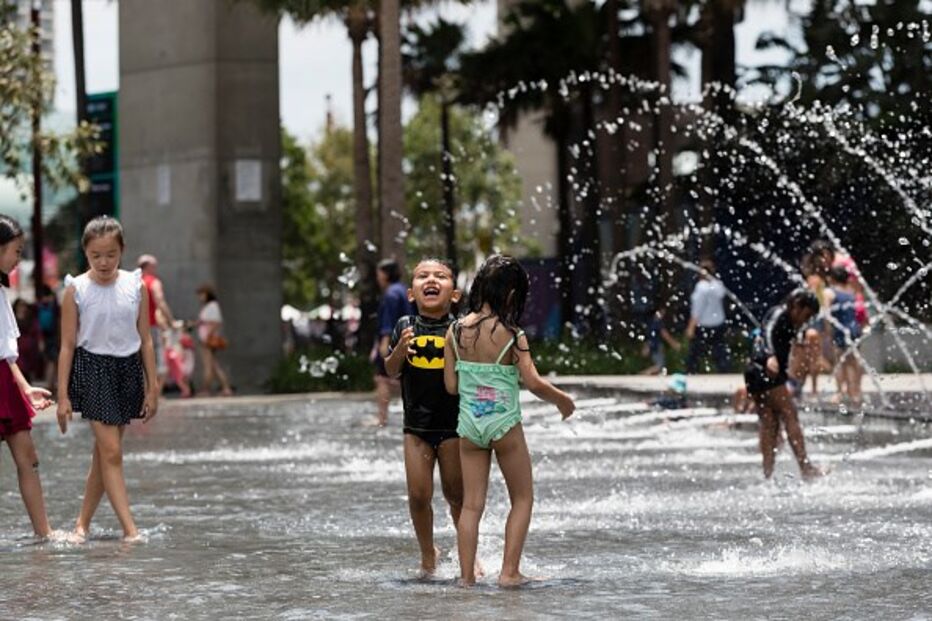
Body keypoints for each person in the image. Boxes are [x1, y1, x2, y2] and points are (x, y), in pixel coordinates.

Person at [444, 255, 575, 587]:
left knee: (471, 506)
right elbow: (533, 383)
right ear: (512, 294)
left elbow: (451, 386)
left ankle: (465, 579)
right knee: (522, 498)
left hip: (470, 426)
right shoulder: (513, 335)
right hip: (504, 426)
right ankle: (509, 573)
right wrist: (563, 400)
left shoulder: (455, 331)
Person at [57, 216, 160, 541]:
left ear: (122, 251)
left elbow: (146, 340)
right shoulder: (76, 289)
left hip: (127, 369)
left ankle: (81, 524)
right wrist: (62, 396)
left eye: (111, 254)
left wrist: (153, 387)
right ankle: (130, 530)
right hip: (92, 369)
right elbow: (67, 345)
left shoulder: (136, 285)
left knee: (104, 454)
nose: (103, 262)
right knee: (112, 452)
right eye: (96, 255)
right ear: (85, 253)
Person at [384, 258, 465, 578]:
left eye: (440, 276)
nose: (431, 280)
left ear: (454, 294)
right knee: (418, 496)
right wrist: (399, 351)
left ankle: (466, 550)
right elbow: (391, 370)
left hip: (454, 426)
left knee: (457, 496)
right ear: (411, 293)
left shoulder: (460, 328)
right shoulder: (405, 325)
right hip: (416, 427)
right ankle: (428, 553)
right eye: (422, 276)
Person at [0, 214, 55, 538]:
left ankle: (44, 533)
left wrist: (24, 388)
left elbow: (6, 351)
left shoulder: (1, 290)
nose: (19, 259)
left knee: (28, 457)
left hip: (5, 381)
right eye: (16, 251)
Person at [745, 289, 823, 480]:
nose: (805, 321)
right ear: (796, 306)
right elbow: (766, 332)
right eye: (806, 315)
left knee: (770, 423)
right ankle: (806, 468)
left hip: (757, 371)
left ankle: (767, 474)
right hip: (764, 369)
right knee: (790, 414)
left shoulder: (789, 320)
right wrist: (770, 356)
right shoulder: (779, 313)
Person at [372, 259, 414, 426]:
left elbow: (388, 322)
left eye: (379, 273)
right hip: (407, 337)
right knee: (405, 377)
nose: (377, 277)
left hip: (393, 340)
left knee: (381, 379)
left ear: (385, 274)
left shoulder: (390, 294)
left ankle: (381, 419)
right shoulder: (404, 290)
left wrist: (383, 343)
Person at [825, 266, 863, 406]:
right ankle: (855, 391)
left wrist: (828, 333)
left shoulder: (829, 292)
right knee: (854, 361)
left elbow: (827, 315)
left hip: (840, 330)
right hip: (854, 329)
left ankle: (840, 392)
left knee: (840, 361)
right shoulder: (851, 291)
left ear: (832, 278)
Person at [138, 254, 175, 394]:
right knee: (158, 359)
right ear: (148, 266)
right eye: (154, 266)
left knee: (139, 360)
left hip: (133, 327)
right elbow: (160, 301)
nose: (155, 269)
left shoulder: (133, 282)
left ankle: (143, 393)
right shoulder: (154, 282)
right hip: (151, 326)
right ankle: (154, 394)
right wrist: (171, 321)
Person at [685, 259, 730, 373]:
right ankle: (724, 371)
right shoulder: (718, 285)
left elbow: (697, 309)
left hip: (704, 325)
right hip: (718, 323)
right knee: (720, 350)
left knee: (695, 352)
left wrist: (691, 327)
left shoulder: (701, 287)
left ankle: (691, 372)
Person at [196, 284, 233, 396]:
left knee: (208, 365)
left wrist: (208, 335)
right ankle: (226, 388)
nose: (200, 297)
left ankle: (206, 390)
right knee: (214, 365)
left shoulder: (212, 306)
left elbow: (216, 323)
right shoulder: (208, 306)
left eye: (201, 294)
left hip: (207, 340)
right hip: (206, 338)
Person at [640, 305, 680, 375]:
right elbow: (665, 334)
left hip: (652, 346)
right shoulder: (658, 322)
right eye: (662, 312)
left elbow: (648, 337)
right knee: (660, 366)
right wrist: (674, 344)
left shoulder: (651, 322)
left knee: (660, 367)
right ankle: (643, 374)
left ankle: (646, 375)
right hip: (656, 346)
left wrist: (646, 346)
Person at [36, 284, 60, 393]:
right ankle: (51, 384)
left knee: (50, 361)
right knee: (53, 361)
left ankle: (50, 383)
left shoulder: (39, 306)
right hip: (53, 336)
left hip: (44, 336)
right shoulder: (53, 305)